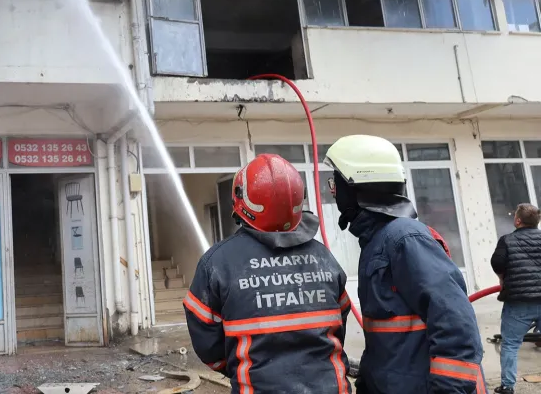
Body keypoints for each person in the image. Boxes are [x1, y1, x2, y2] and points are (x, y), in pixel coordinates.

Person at [324, 134, 487, 394]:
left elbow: (457, 327)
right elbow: (387, 339)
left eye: (337, 183)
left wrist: (449, 389)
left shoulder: (405, 239)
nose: (333, 192)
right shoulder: (379, 240)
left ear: (360, 184)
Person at [183, 153, 352, 393]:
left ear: (241, 199)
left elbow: (207, 343)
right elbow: (339, 326)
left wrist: (241, 364)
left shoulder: (217, 263)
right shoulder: (324, 257)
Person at [491, 203, 541, 394]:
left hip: (519, 301)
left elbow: (497, 263)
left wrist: (502, 278)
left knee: (511, 344)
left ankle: (507, 386)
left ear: (518, 220)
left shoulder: (507, 240)